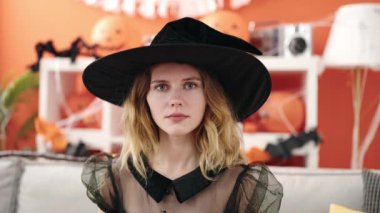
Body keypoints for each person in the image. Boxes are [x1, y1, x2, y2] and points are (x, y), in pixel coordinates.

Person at [81, 17, 283, 213]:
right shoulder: (115, 180)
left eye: (190, 85)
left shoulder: (241, 186)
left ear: (209, 97)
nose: (175, 99)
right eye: (161, 87)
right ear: (144, 99)